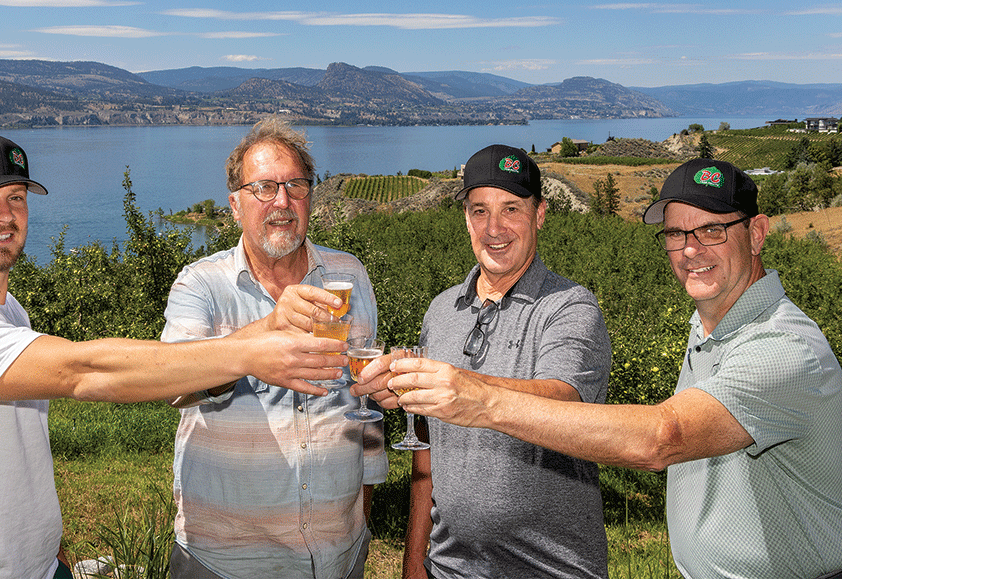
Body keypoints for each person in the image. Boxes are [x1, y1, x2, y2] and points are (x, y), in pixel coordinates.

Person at [0, 134, 347, 579]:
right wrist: (251, 348)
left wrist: (50, 544)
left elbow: (7, 453)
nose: (4, 215)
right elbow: (81, 371)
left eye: (16, 197)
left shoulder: (7, 310)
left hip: (37, 565)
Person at [379, 159, 843, 579]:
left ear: (758, 233)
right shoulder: (711, 331)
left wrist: (473, 397)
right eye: (677, 234)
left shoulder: (782, 347)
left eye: (713, 230)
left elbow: (661, 438)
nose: (691, 250)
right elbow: (427, 460)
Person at [352, 143, 612, 579]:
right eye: (479, 211)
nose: (494, 228)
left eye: (511, 209)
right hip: (450, 569)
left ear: (540, 215)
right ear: (465, 219)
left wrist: (459, 387)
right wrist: (416, 564)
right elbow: (425, 454)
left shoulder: (569, 308)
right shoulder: (441, 311)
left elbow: (563, 401)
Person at [158, 118, 388, 579]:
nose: (281, 201)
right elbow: (173, 382)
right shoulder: (200, 284)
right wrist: (269, 327)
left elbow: (361, 400)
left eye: (296, 186)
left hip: (339, 556)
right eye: (263, 188)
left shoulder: (348, 275)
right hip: (228, 560)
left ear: (311, 197)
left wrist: (363, 506)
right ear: (235, 204)